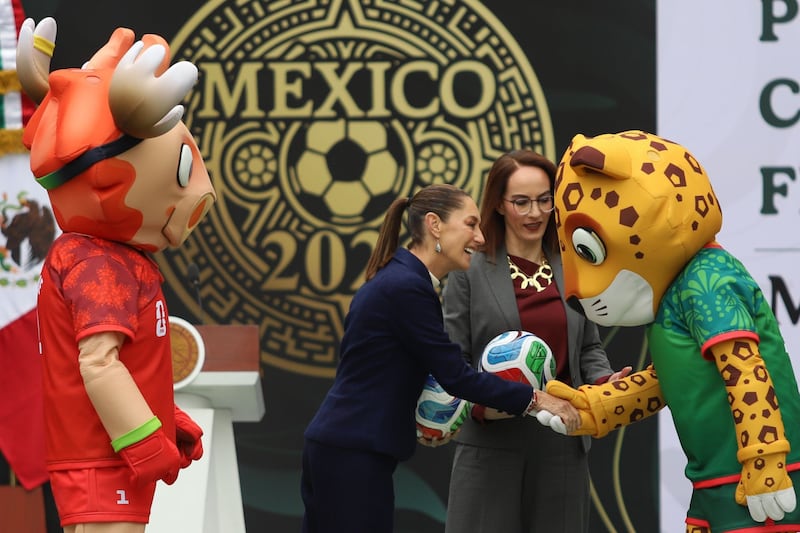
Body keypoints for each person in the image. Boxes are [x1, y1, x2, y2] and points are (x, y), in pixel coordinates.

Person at [18, 18, 213, 531]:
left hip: (104, 456)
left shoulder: (108, 256)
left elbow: (123, 361)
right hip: (104, 461)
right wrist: (147, 442)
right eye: (180, 170)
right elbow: (100, 365)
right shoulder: (99, 262)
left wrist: (167, 423)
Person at [300, 183, 577, 533]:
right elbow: (456, 376)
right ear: (435, 225)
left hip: (341, 448)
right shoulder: (407, 287)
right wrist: (537, 399)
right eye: (471, 224)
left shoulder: (400, 278)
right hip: (352, 454)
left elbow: (387, 371)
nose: (479, 237)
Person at [441, 149, 631, 533]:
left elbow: (589, 347)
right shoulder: (469, 268)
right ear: (497, 205)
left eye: (545, 200)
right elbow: (452, 360)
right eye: (521, 202)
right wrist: (482, 409)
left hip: (562, 443)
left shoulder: (573, 263)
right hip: (490, 445)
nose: (535, 213)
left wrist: (605, 384)